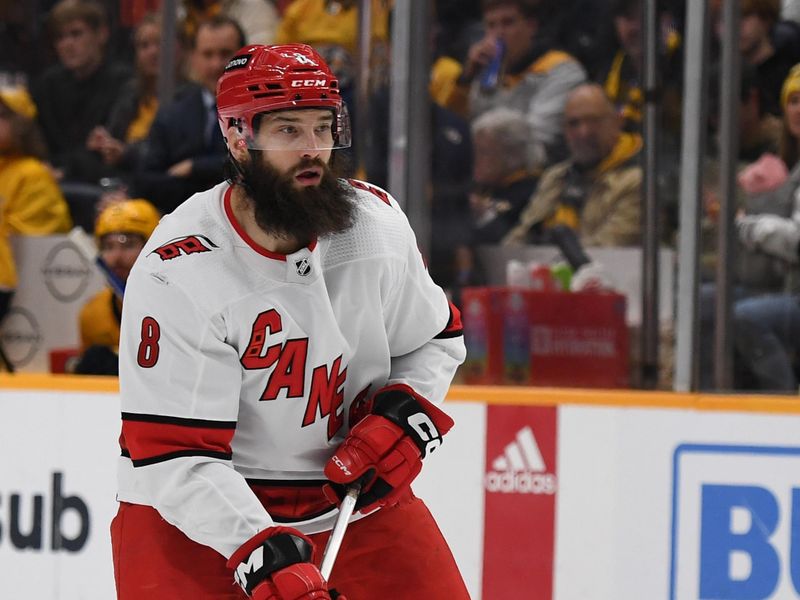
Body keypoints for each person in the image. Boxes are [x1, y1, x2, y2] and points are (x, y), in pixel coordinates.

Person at [111, 43, 468, 599]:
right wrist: (261, 554)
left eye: (323, 128)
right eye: (288, 130)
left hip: (352, 501)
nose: (313, 150)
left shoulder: (375, 228)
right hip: (195, 519)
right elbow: (173, 455)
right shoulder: (179, 268)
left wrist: (406, 413)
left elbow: (434, 338)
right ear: (237, 138)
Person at [431, 0, 586, 170]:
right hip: (488, 172)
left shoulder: (562, 71)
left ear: (531, 26)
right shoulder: (488, 71)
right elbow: (456, 130)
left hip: (537, 174)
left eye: (508, 23)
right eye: (491, 25)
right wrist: (466, 80)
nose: (498, 34)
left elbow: (534, 141)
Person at [503, 82, 643, 247]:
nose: (584, 132)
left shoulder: (639, 180)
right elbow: (519, 239)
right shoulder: (555, 177)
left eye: (594, 121)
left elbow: (610, 249)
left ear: (618, 122)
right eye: (574, 123)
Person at [134, 15, 245, 213]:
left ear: (243, 57)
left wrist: (195, 167)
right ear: (193, 58)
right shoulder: (172, 114)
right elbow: (147, 181)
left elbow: (253, 166)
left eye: (225, 54)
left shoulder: (263, 112)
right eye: (207, 54)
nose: (216, 64)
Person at [30, 0, 131, 183]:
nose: (67, 44)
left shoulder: (123, 82)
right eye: (60, 37)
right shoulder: (47, 85)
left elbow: (107, 147)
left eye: (76, 34)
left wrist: (68, 168)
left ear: (101, 34)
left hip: (104, 179)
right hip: (51, 177)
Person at [0, 86, 72, 323]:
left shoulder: (33, 175)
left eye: (2, 115)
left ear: (20, 123)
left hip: (20, 291)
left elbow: (33, 245)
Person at [74, 199, 160, 375]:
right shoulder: (93, 313)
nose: (116, 256)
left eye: (128, 245)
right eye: (108, 246)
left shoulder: (180, 308)